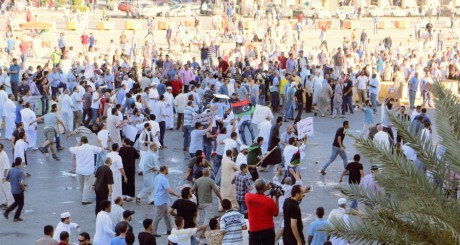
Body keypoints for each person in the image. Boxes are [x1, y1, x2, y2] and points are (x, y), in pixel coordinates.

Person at [69, 136, 103, 205]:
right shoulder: (92, 148)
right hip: (89, 170)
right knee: (87, 184)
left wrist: (78, 144)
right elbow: (101, 150)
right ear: (87, 141)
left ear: (81, 142)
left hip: (79, 170)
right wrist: (100, 143)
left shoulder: (77, 149)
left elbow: (70, 149)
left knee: (81, 185)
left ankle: (84, 195)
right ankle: (85, 199)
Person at [245, 178, 280, 244]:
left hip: (254, 230)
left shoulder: (248, 197)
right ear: (264, 187)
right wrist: (277, 198)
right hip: (268, 230)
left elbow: (253, 191)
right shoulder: (269, 201)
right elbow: (276, 213)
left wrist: (263, 189)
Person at [152, 166, 180, 237]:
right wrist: (176, 195)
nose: (168, 171)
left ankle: (169, 230)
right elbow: (169, 190)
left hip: (160, 199)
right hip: (161, 200)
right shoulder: (164, 179)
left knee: (166, 215)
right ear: (164, 170)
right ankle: (153, 232)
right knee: (158, 216)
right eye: (167, 170)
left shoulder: (157, 177)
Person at [192, 168, 222, 235]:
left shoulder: (197, 180)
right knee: (208, 218)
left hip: (200, 202)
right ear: (209, 173)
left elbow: (192, 190)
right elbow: (216, 191)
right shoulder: (210, 180)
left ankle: (202, 232)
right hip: (208, 202)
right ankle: (202, 233)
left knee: (205, 217)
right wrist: (220, 198)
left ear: (202, 173)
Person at [3, 157, 26, 222]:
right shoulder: (20, 172)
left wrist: (13, 181)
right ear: (20, 163)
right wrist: (24, 188)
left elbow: (6, 179)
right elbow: (21, 183)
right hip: (19, 191)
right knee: (21, 204)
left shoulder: (10, 170)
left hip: (13, 190)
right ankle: (16, 217)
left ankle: (7, 212)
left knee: (16, 202)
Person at [0, 143, 13, 208]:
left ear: (2, 148)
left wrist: (4, 177)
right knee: (2, 190)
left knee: (7, 190)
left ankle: (10, 204)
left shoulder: (4, 155)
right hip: (0, 175)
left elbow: (6, 167)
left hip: (5, 176)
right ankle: (5, 202)